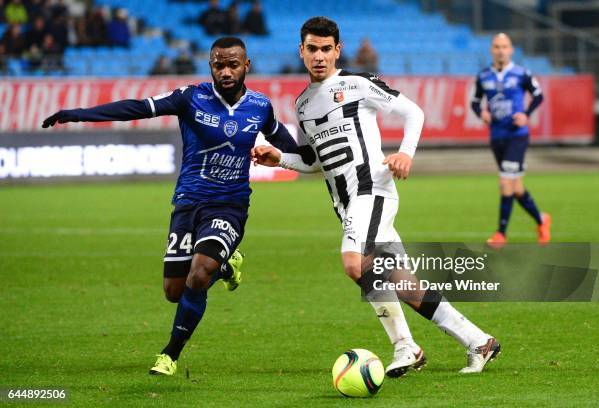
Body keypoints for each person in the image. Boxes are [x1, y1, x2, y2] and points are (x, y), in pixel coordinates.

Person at [252, 17, 500, 375]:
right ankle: (478, 341)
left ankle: (405, 346)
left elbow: (413, 111)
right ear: (301, 51)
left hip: (372, 189)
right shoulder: (303, 104)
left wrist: (405, 153)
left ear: (337, 50)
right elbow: (315, 161)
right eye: (312, 49)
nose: (319, 56)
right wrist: (280, 159)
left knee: (354, 263)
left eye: (326, 49)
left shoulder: (357, 84)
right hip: (348, 204)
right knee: (403, 283)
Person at [41, 37, 298, 376]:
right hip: (189, 203)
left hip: (230, 205)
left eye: (232, 64)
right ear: (210, 66)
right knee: (174, 292)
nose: (225, 71)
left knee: (200, 271)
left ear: (246, 66)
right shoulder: (190, 97)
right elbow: (136, 107)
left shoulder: (260, 106)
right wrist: (78, 114)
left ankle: (170, 355)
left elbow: (284, 141)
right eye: (219, 64)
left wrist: (310, 159)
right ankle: (226, 266)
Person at [471, 33, 550, 248]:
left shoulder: (522, 73)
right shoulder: (483, 76)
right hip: (497, 136)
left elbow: (539, 95)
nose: (501, 50)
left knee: (505, 182)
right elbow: (475, 102)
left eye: (504, 46)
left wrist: (526, 114)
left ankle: (500, 234)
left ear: (511, 49)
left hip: (517, 135)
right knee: (516, 188)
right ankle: (542, 220)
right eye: (497, 46)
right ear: (491, 50)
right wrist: (481, 113)